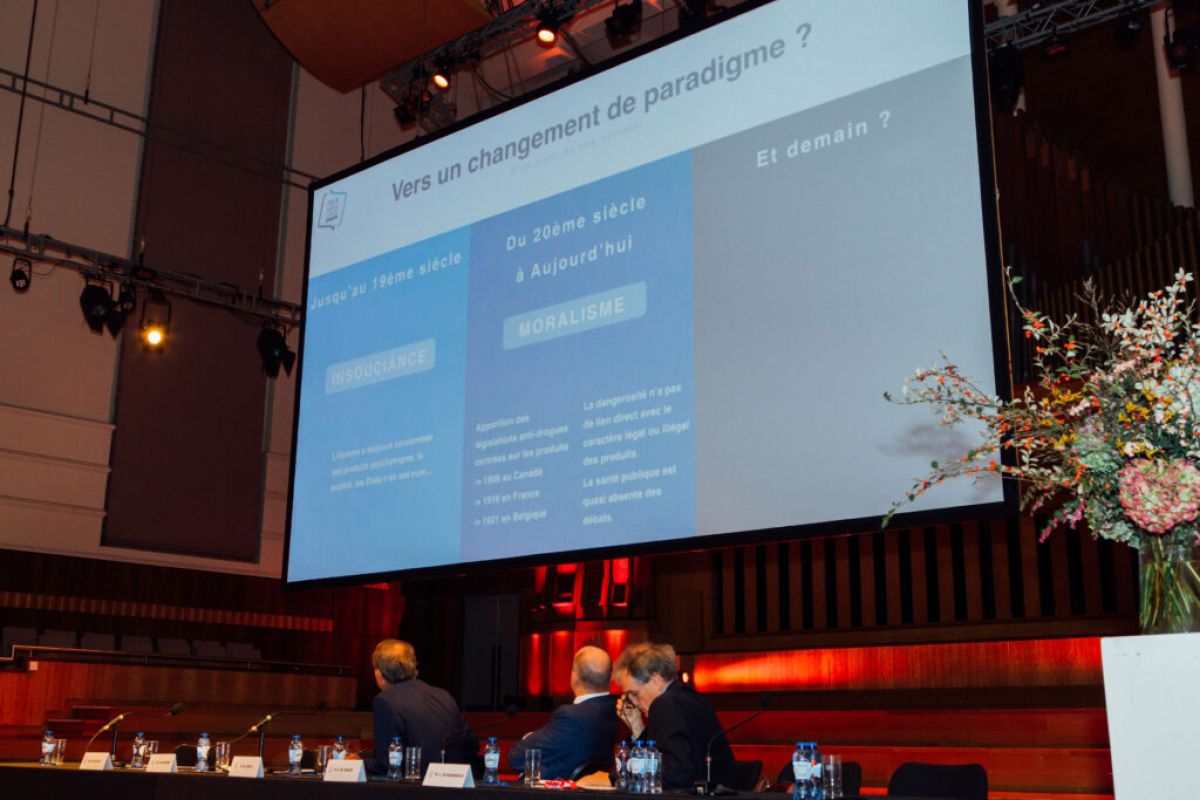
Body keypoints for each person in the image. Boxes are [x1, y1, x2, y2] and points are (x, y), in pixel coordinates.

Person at [614, 642, 736, 790]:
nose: (633, 702)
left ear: (656, 680)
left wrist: (620, 778)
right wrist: (637, 727)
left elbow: (675, 775)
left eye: (634, 694)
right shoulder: (687, 697)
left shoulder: (664, 704)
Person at [364, 639, 476, 775]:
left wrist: (358, 763)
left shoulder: (385, 701)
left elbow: (388, 765)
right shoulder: (444, 696)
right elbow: (470, 746)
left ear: (378, 674)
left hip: (415, 784)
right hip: (455, 782)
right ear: (414, 668)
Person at [508, 645, 619, 780]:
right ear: (610, 677)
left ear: (575, 676)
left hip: (558, 788)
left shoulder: (571, 717)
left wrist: (529, 736)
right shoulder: (613, 710)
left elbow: (517, 757)